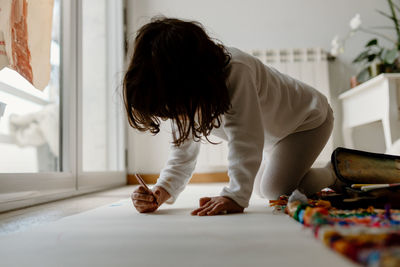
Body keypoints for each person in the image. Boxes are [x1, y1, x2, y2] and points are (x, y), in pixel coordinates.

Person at [123, 17, 337, 216]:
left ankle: (334, 172)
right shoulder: (182, 94)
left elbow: (245, 139)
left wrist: (234, 195)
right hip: (277, 136)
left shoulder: (236, 71)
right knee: (258, 187)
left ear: (188, 79)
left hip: (308, 121)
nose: (179, 115)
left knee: (274, 190)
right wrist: (160, 191)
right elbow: (182, 152)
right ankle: (313, 173)